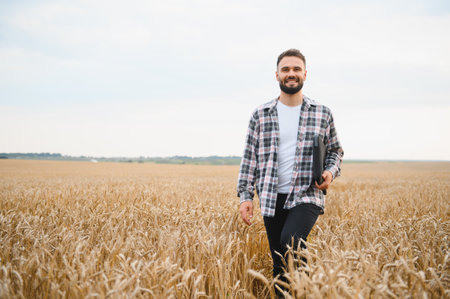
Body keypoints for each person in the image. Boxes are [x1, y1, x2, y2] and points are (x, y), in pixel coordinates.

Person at [237, 49, 344, 293]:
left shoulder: (322, 112)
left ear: (305, 74)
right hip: (271, 196)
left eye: (296, 69)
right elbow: (249, 158)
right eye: (286, 69)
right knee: (279, 260)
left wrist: (330, 172)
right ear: (277, 75)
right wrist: (246, 197)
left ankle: (306, 289)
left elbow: (335, 151)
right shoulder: (260, 114)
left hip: (307, 194)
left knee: (292, 242)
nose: (291, 74)